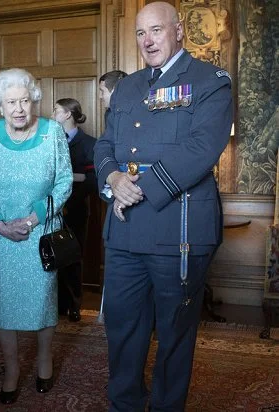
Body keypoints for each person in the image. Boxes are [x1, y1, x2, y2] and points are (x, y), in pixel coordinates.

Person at [93, 2, 233, 410]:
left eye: (156, 30)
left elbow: (202, 147)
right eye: (140, 33)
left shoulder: (210, 80)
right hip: (124, 228)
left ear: (178, 32)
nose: (148, 40)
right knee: (122, 328)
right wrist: (114, 179)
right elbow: (105, 145)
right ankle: (125, 405)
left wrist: (143, 188)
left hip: (178, 228)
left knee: (173, 334)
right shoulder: (129, 86)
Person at [0, 68, 72, 404]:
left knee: (42, 301)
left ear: (34, 102)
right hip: (0, 237)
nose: (18, 108)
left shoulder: (52, 132)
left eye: (25, 101)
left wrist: (32, 219)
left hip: (41, 232)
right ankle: (11, 368)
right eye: (11, 102)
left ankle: (44, 360)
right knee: (3, 303)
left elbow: (64, 183)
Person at [51, 98, 97, 322]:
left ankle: (74, 305)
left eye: (56, 111)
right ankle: (56, 305)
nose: (53, 115)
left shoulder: (90, 143)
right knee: (54, 255)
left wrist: (68, 203)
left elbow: (92, 179)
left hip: (76, 208)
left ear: (68, 114)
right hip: (52, 209)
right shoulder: (50, 140)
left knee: (74, 256)